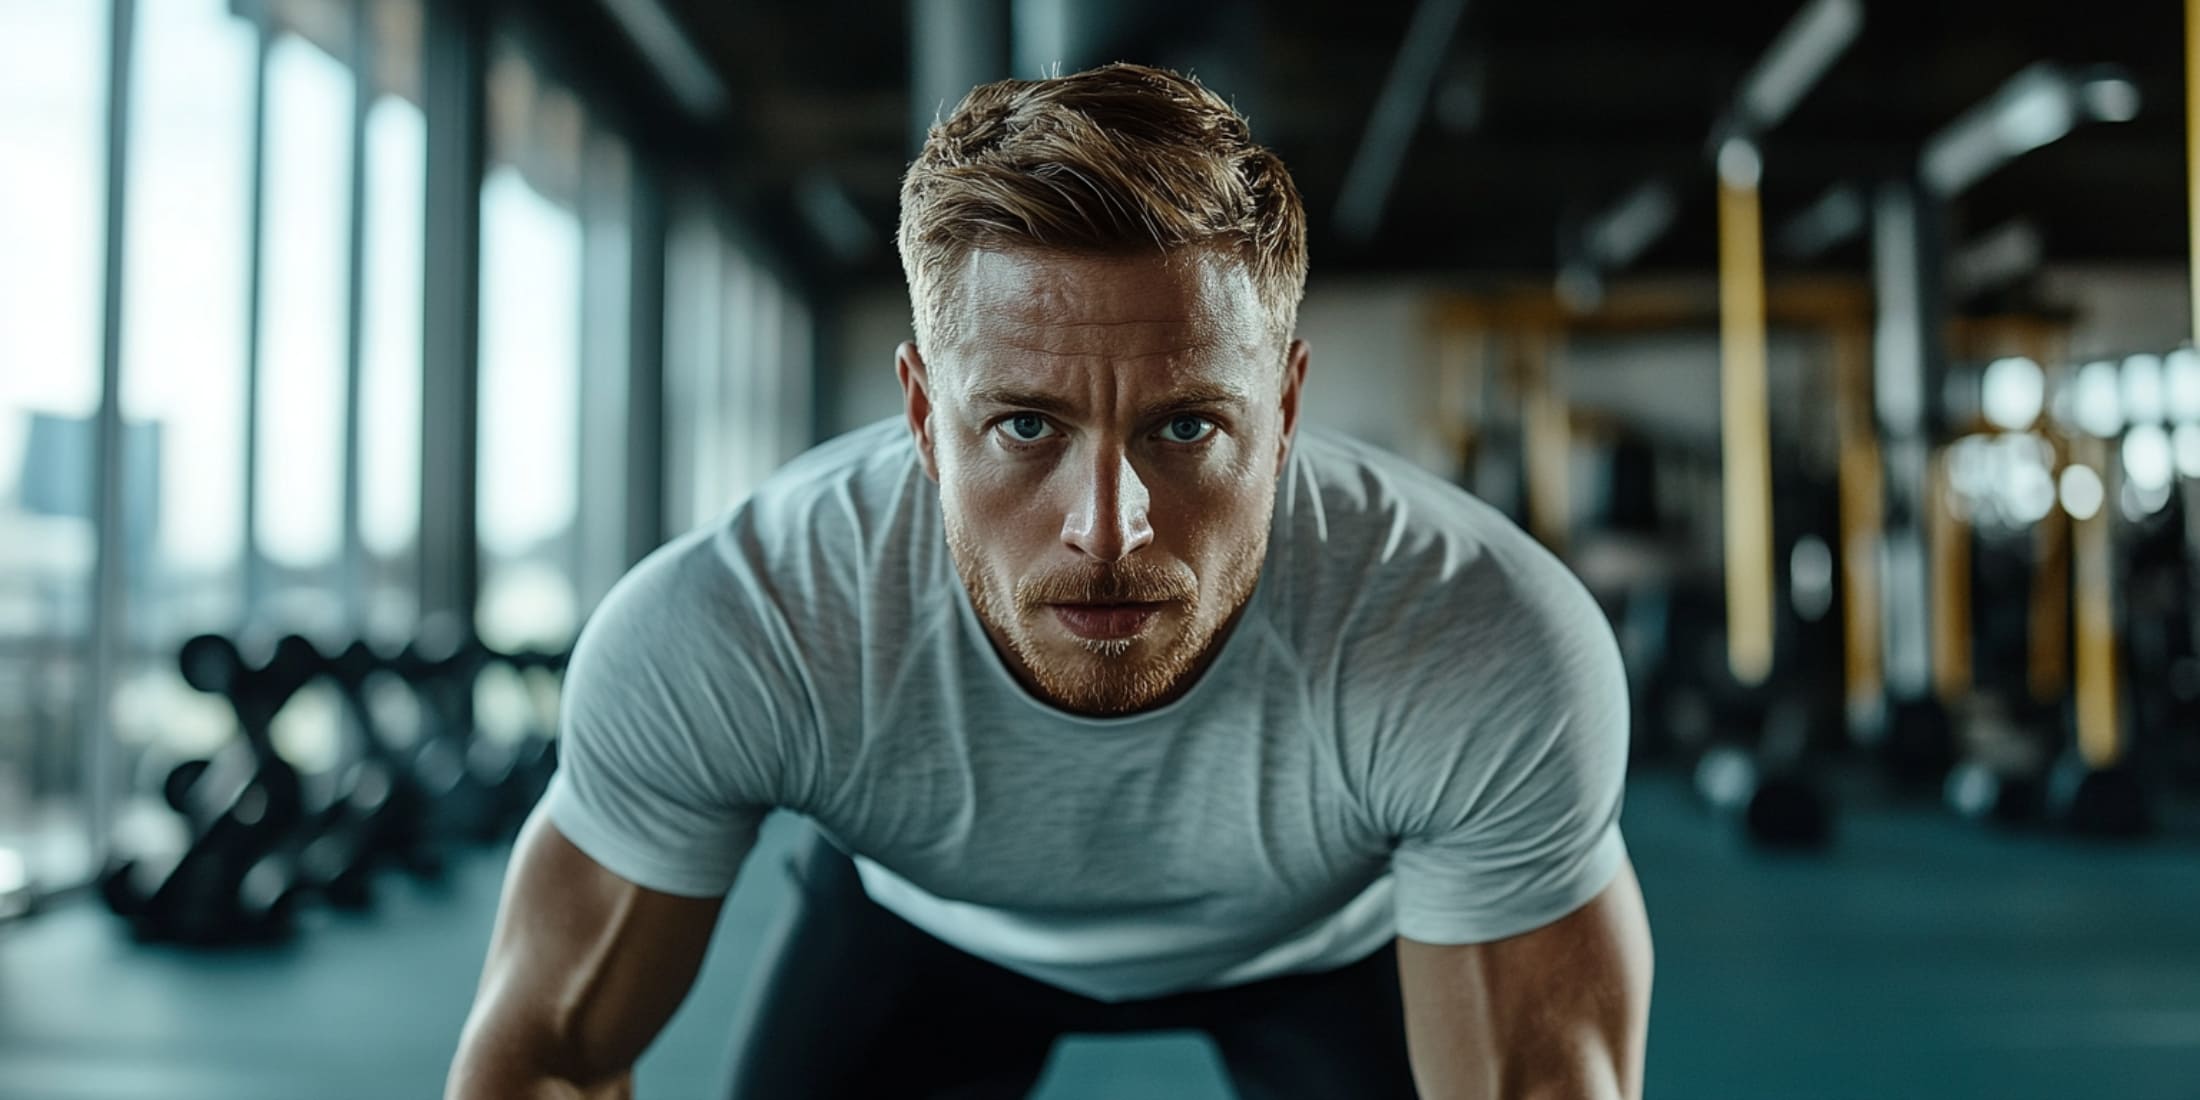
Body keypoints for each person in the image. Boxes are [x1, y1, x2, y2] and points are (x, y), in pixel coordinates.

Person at [447, 62, 1652, 1100]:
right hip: (918, 924)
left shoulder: (1481, 639)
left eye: (1186, 428)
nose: (1109, 529)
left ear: (1283, 409)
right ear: (924, 416)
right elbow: (541, 1048)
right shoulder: (743, 625)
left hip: (1323, 940)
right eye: (1025, 424)